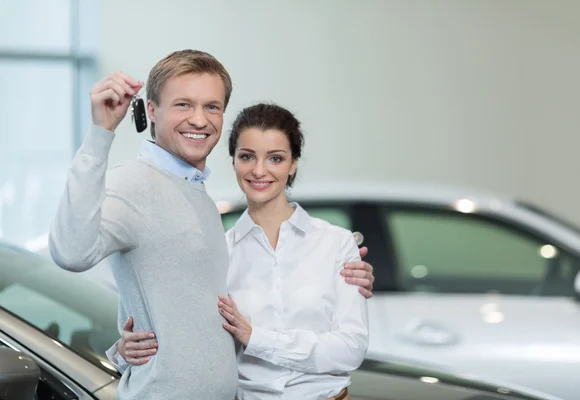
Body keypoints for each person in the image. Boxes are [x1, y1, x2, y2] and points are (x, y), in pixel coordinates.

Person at [49, 49, 374, 400]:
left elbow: (179, 305)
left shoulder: (199, 200)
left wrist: (125, 348)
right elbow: (71, 251)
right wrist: (101, 133)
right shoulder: (134, 184)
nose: (199, 120)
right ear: (152, 111)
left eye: (212, 107)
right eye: (183, 105)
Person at [113, 103, 370, 400]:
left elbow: (350, 349)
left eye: (275, 158)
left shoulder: (336, 244)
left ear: (294, 163)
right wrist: (123, 352)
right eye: (247, 156)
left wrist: (256, 338)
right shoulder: (217, 251)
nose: (259, 170)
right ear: (233, 161)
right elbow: (188, 340)